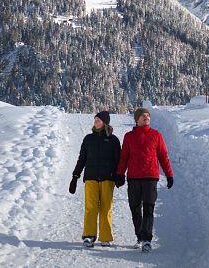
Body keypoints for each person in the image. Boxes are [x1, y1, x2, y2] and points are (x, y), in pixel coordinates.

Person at [115, 107, 173, 253]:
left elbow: (163, 156)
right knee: (134, 207)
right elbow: (124, 157)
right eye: (143, 116)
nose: (146, 117)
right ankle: (139, 236)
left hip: (150, 177)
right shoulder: (129, 136)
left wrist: (169, 175)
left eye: (148, 115)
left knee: (148, 208)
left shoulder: (156, 135)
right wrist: (120, 174)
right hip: (133, 177)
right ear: (137, 120)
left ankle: (147, 239)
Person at [69, 110, 121, 248]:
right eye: (95, 120)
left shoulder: (113, 140)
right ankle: (89, 236)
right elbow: (82, 159)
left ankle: (105, 237)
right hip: (91, 177)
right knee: (90, 207)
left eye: (98, 120)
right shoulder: (88, 139)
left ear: (105, 122)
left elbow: (118, 161)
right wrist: (75, 176)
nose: (95, 122)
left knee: (105, 208)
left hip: (107, 178)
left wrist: (119, 175)